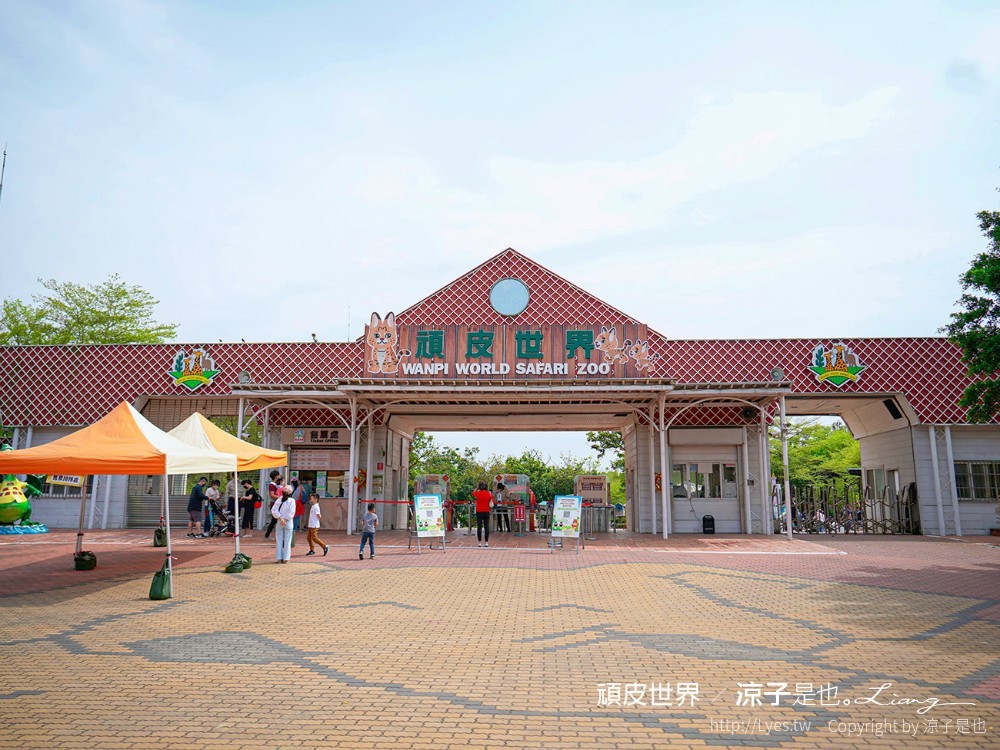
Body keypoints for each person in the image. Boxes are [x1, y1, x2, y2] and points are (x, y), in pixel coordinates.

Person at [271, 485, 296, 563]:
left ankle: (279, 558)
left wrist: (280, 518)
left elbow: (274, 510)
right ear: (290, 492)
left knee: (279, 540)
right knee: (287, 540)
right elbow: (292, 512)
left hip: (279, 521)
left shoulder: (279, 499)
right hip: (288, 522)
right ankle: (286, 558)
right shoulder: (292, 500)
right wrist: (285, 519)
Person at [472, 481, 493, 548]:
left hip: (479, 511)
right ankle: (486, 542)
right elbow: (491, 500)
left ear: (479, 487)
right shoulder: (488, 493)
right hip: (486, 511)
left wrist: (477, 488)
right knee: (486, 527)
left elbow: (473, 493)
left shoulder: (477, 493)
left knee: (479, 527)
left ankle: (479, 542)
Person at [264, 470, 283, 538]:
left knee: (275, 520)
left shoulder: (278, 484)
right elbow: (272, 495)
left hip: (278, 503)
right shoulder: (272, 485)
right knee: (275, 519)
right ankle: (268, 534)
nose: (279, 476)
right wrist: (282, 498)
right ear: (276, 476)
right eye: (278, 475)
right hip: (274, 504)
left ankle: (268, 534)